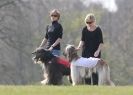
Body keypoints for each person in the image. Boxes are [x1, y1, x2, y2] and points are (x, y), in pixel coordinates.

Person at [77, 13, 103, 85]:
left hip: (95, 53)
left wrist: (98, 51)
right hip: (86, 52)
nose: (88, 24)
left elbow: (101, 43)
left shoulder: (98, 30)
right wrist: (79, 47)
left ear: (94, 21)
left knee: (95, 71)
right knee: (86, 71)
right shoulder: (84, 29)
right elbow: (82, 40)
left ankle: (95, 86)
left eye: (90, 22)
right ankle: (87, 86)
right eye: (87, 22)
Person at [38, 9, 63, 84]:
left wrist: (52, 46)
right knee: (47, 68)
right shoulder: (48, 26)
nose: (53, 17)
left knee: (55, 69)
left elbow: (59, 39)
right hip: (47, 50)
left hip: (55, 49)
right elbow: (46, 38)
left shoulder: (59, 26)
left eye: (55, 15)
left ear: (58, 17)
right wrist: (40, 47)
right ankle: (48, 82)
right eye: (52, 15)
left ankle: (57, 83)